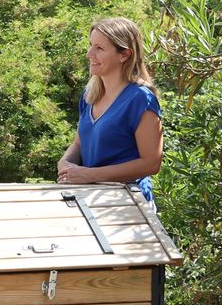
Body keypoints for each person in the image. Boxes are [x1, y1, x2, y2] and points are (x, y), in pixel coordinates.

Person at [57, 17, 163, 201]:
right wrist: (65, 163)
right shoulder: (90, 95)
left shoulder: (141, 99)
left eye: (99, 48)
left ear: (124, 55)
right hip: (91, 198)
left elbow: (151, 163)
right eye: (91, 45)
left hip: (131, 203)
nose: (89, 54)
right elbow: (79, 144)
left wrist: (90, 175)